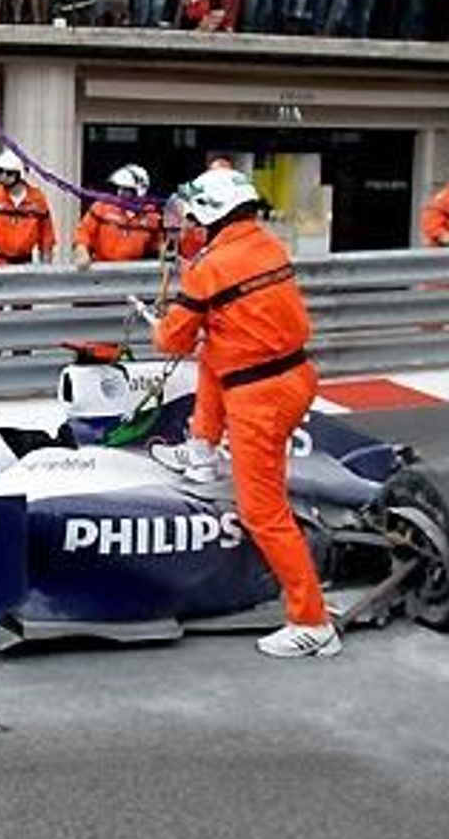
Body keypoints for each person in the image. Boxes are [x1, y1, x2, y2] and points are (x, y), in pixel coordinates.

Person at [145, 166, 339, 659]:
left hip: (260, 396)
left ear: (210, 215)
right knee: (214, 349)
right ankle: (201, 451)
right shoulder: (266, 244)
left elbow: (171, 340)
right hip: (291, 376)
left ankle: (312, 622)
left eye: (192, 217)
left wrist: (163, 321)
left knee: (263, 512)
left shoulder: (210, 267)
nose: (187, 225)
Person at [72, 164, 162, 268]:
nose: (120, 193)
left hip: (132, 274)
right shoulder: (101, 208)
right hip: (99, 270)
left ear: (139, 191)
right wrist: (82, 252)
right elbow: (83, 233)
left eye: (126, 189)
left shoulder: (152, 218)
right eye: (119, 188)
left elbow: (159, 247)